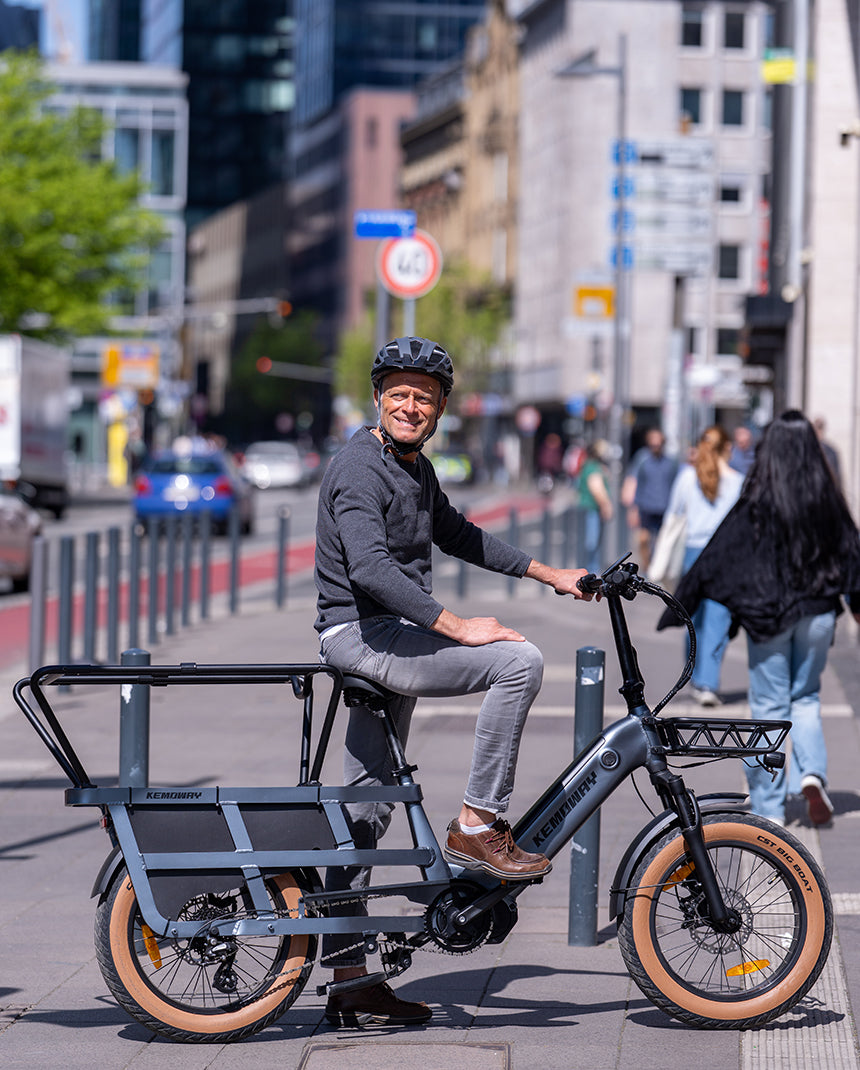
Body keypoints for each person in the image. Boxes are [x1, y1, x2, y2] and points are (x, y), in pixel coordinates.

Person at [314, 336, 593, 1027]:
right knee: (518, 660)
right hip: (364, 635)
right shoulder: (358, 468)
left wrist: (547, 574)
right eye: (399, 394)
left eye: (424, 397)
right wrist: (456, 625)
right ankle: (477, 822)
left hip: (392, 637)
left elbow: (461, 535)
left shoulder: (414, 467)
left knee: (364, 812)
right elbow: (371, 569)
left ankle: (349, 979)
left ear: (440, 408)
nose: (411, 406)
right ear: (379, 399)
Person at [659, 411, 860, 826]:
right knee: (805, 697)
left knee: (769, 706)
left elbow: (721, 556)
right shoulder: (827, 499)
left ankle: (769, 808)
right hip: (819, 613)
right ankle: (811, 776)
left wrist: (681, 603)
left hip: (769, 617)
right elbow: (852, 552)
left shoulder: (757, 500)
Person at [661, 426, 743, 706]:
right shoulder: (738, 482)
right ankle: (707, 683)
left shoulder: (687, 476)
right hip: (726, 556)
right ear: (728, 448)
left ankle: (694, 676)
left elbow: (674, 514)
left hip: (693, 554)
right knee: (719, 620)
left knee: (692, 619)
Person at [621, 428, 678, 571]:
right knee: (643, 539)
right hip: (645, 506)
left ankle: (657, 569)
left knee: (661, 543)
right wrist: (632, 507)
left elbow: (677, 485)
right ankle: (647, 567)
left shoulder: (671, 462)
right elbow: (633, 480)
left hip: (664, 507)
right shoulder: (642, 459)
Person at [577, 441, 613, 574]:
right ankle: (591, 570)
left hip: (589, 507)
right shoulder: (594, 468)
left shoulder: (589, 465)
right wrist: (606, 505)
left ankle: (591, 568)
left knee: (592, 541)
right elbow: (597, 488)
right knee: (592, 542)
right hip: (592, 508)